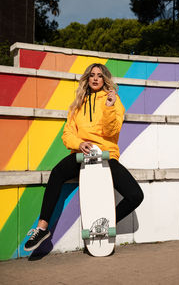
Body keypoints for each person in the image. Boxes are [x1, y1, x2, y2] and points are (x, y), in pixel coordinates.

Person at [24, 63, 144, 252]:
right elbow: (67, 134)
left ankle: (106, 225)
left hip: (105, 154)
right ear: (87, 79)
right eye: (92, 75)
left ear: (105, 79)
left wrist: (109, 106)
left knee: (136, 195)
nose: (95, 78)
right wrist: (79, 144)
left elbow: (112, 131)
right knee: (57, 173)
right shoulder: (78, 104)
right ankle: (42, 228)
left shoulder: (113, 100)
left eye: (100, 75)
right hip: (81, 154)